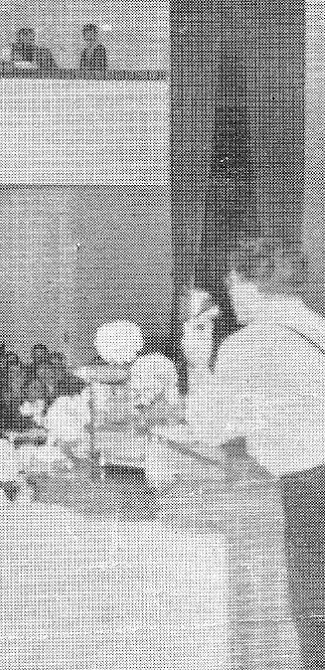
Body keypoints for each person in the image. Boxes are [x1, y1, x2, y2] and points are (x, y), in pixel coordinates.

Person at [183, 237, 325, 668]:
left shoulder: (247, 345)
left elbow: (211, 429)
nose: (230, 300)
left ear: (248, 283)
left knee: (313, 618)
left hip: (309, 489)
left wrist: (196, 361)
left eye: (232, 286)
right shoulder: (317, 326)